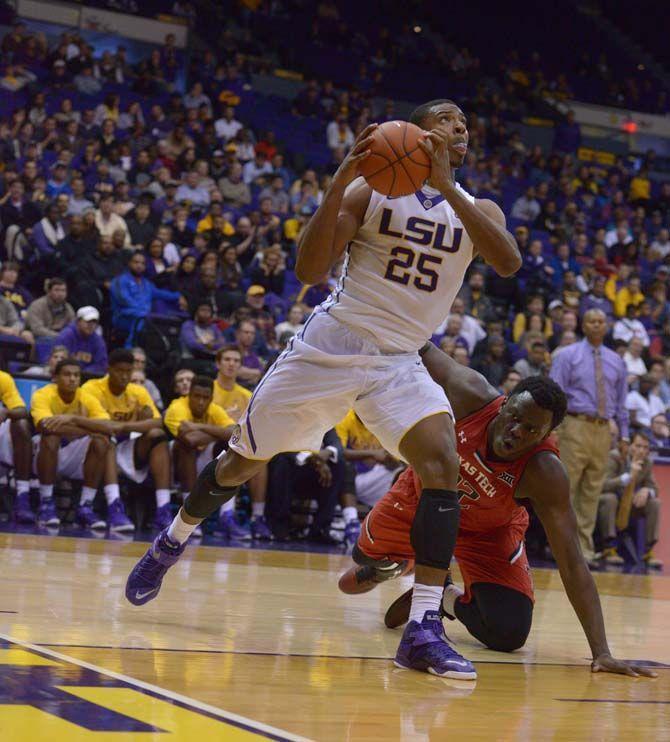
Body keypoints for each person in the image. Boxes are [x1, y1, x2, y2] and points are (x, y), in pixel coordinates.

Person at [126, 99, 522, 678]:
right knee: (240, 462)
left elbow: (508, 263)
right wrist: (341, 180)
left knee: (444, 463)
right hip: (332, 343)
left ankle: (423, 628)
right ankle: (174, 537)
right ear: (415, 131)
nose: (460, 127)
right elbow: (311, 271)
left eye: (466, 123)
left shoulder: (478, 208)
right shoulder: (374, 190)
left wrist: (446, 186)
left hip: (400, 360)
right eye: (447, 118)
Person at [339, 342, 653, 679]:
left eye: (531, 429)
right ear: (504, 403)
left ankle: (439, 595)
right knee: (358, 568)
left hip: (488, 532)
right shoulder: (470, 392)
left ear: (546, 435)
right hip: (424, 500)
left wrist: (602, 652)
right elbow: (417, 345)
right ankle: (392, 566)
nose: (516, 431)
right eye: (514, 417)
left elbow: (573, 562)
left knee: (509, 633)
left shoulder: (544, 473)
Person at [550, 309, 629, 564]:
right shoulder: (566, 356)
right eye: (592, 321)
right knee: (568, 488)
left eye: (601, 321)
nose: (597, 325)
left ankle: (584, 549)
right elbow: (555, 395)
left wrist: (624, 436)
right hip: (574, 424)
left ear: (606, 326)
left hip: (603, 428)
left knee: (592, 491)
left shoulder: (617, 360)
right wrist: (553, 430)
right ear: (584, 326)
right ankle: (563, 546)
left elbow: (622, 403)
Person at [81, 349, 173, 530]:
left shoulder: (138, 391)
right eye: (119, 371)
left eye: (128, 372)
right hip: (94, 447)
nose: (124, 376)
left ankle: (163, 508)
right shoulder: (92, 388)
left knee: (158, 436)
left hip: (126, 445)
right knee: (106, 437)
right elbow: (92, 424)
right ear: (109, 369)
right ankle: (114, 506)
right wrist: (128, 425)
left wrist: (124, 427)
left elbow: (156, 422)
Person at [30, 359, 113, 529]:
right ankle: (46, 503)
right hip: (41, 454)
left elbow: (108, 427)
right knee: (51, 437)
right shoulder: (43, 394)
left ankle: (85, 506)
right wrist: (88, 427)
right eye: (67, 374)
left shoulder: (86, 397)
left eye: (76, 375)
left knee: (102, 441)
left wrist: (74, 419)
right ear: (55, 378)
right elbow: (44, 426)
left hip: (73, 456)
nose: (73, 379)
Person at [164, 376, 235, 538]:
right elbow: (191, 440)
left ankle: (227, 516)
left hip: (203, 459)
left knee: (232, 448)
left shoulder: (215, 409)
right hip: (173, 463)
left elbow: (234, 433)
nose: (201, 402)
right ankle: (188, 513)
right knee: (185, 446)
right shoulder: (177, 407)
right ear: (189, 395)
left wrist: (198, 426)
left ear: (211, 398)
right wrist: (218, 432)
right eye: (197, 397)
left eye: (205, 398)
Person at [598, 433, 662, 568]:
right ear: (629, 446)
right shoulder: (615, 456)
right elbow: (603, 485)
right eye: (638, 446)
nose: (642, 451)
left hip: (629, 505)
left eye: (646, 447)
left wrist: (647, 491)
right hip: (610, 504)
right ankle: (609, 548)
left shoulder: (647, 462)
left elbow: (654, 488)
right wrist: (628, 476)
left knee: (654, 503)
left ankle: (647, 552)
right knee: (610, 499)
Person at [0, 372, 33, 524]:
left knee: (20, 424)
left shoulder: (3, 378)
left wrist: (6, 412)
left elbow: (22, 411)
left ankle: (22, 494)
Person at [56, 306, 108, 375]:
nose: (91, 325)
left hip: (87, 377)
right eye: (88, 322)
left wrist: (83, 373)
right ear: (78, 321)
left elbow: (101, 364)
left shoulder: (98, 341)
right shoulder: (65, 336)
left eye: (94, 322)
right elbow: (58, 361)